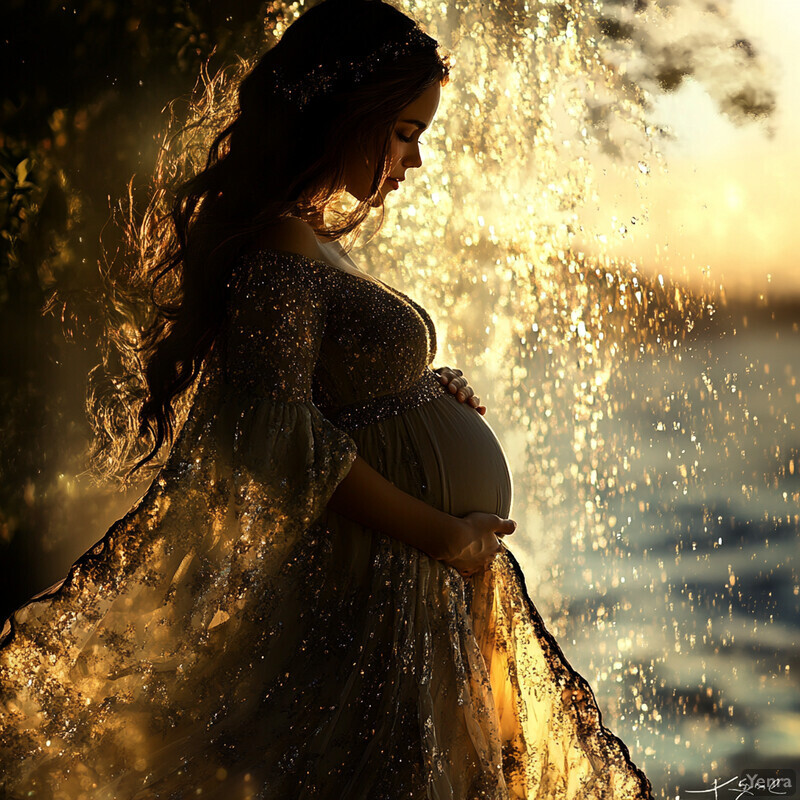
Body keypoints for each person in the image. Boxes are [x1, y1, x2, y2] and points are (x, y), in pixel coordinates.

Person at [0, 0, 653, 797]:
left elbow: (324, 400)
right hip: (383, 587)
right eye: (406, 133)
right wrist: (446, 534)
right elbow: (274, 436)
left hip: (414, 585)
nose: (414, 163)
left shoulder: (312, 240)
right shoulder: (280, 245)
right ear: (347, 115)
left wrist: (418, 392)